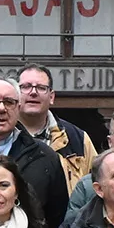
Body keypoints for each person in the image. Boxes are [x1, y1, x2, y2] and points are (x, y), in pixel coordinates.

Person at [0, 76, 67, 228]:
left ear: (19, 107)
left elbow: (57, 215)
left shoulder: (44, 155)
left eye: (9, 102)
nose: (1, 109)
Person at [17, 64, 98, 194]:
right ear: (15, 94)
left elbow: (96, 186)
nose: (33, 92)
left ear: (51, 97)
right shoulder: (2, 135)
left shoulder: (78, 139)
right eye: (26, 87)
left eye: (41, 88)